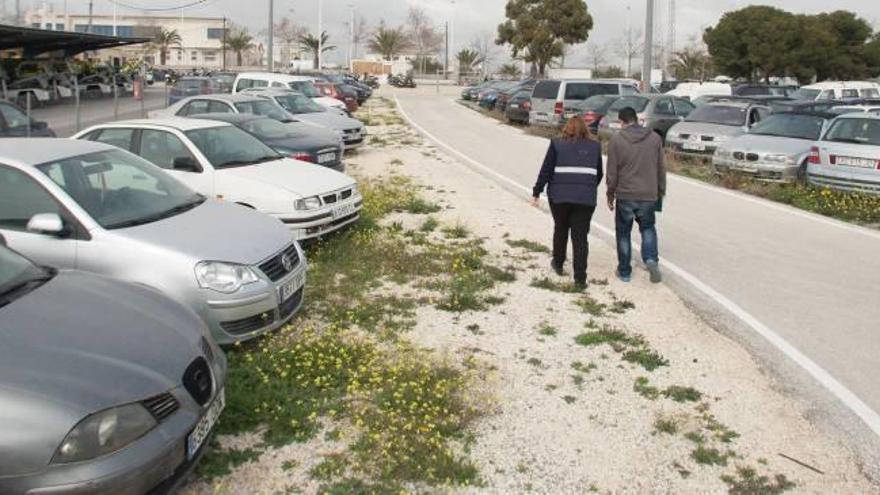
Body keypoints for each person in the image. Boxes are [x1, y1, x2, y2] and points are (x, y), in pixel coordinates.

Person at [530, 117, 604, 289]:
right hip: (585, 198)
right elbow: (598, 173)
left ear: (566, 129)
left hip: (559, 196)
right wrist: (587, 187)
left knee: (561, 228)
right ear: (585, 129)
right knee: (580, 237)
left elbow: (546, 170)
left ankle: (558, 263)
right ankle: (580, 278)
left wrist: (537, 191)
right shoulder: (595, 146)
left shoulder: (556, 144)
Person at [606, 106, 666, 284]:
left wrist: (610, 194)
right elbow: (661, 168)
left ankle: (624, 272)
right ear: (637, 119)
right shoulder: (654, 138)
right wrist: (660, 191)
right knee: (647, 228)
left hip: (626, 193)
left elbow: (612, 171)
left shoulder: (616, 140)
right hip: (648, 193)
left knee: (623, 232)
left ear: (622, 122)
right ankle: (651, 260)